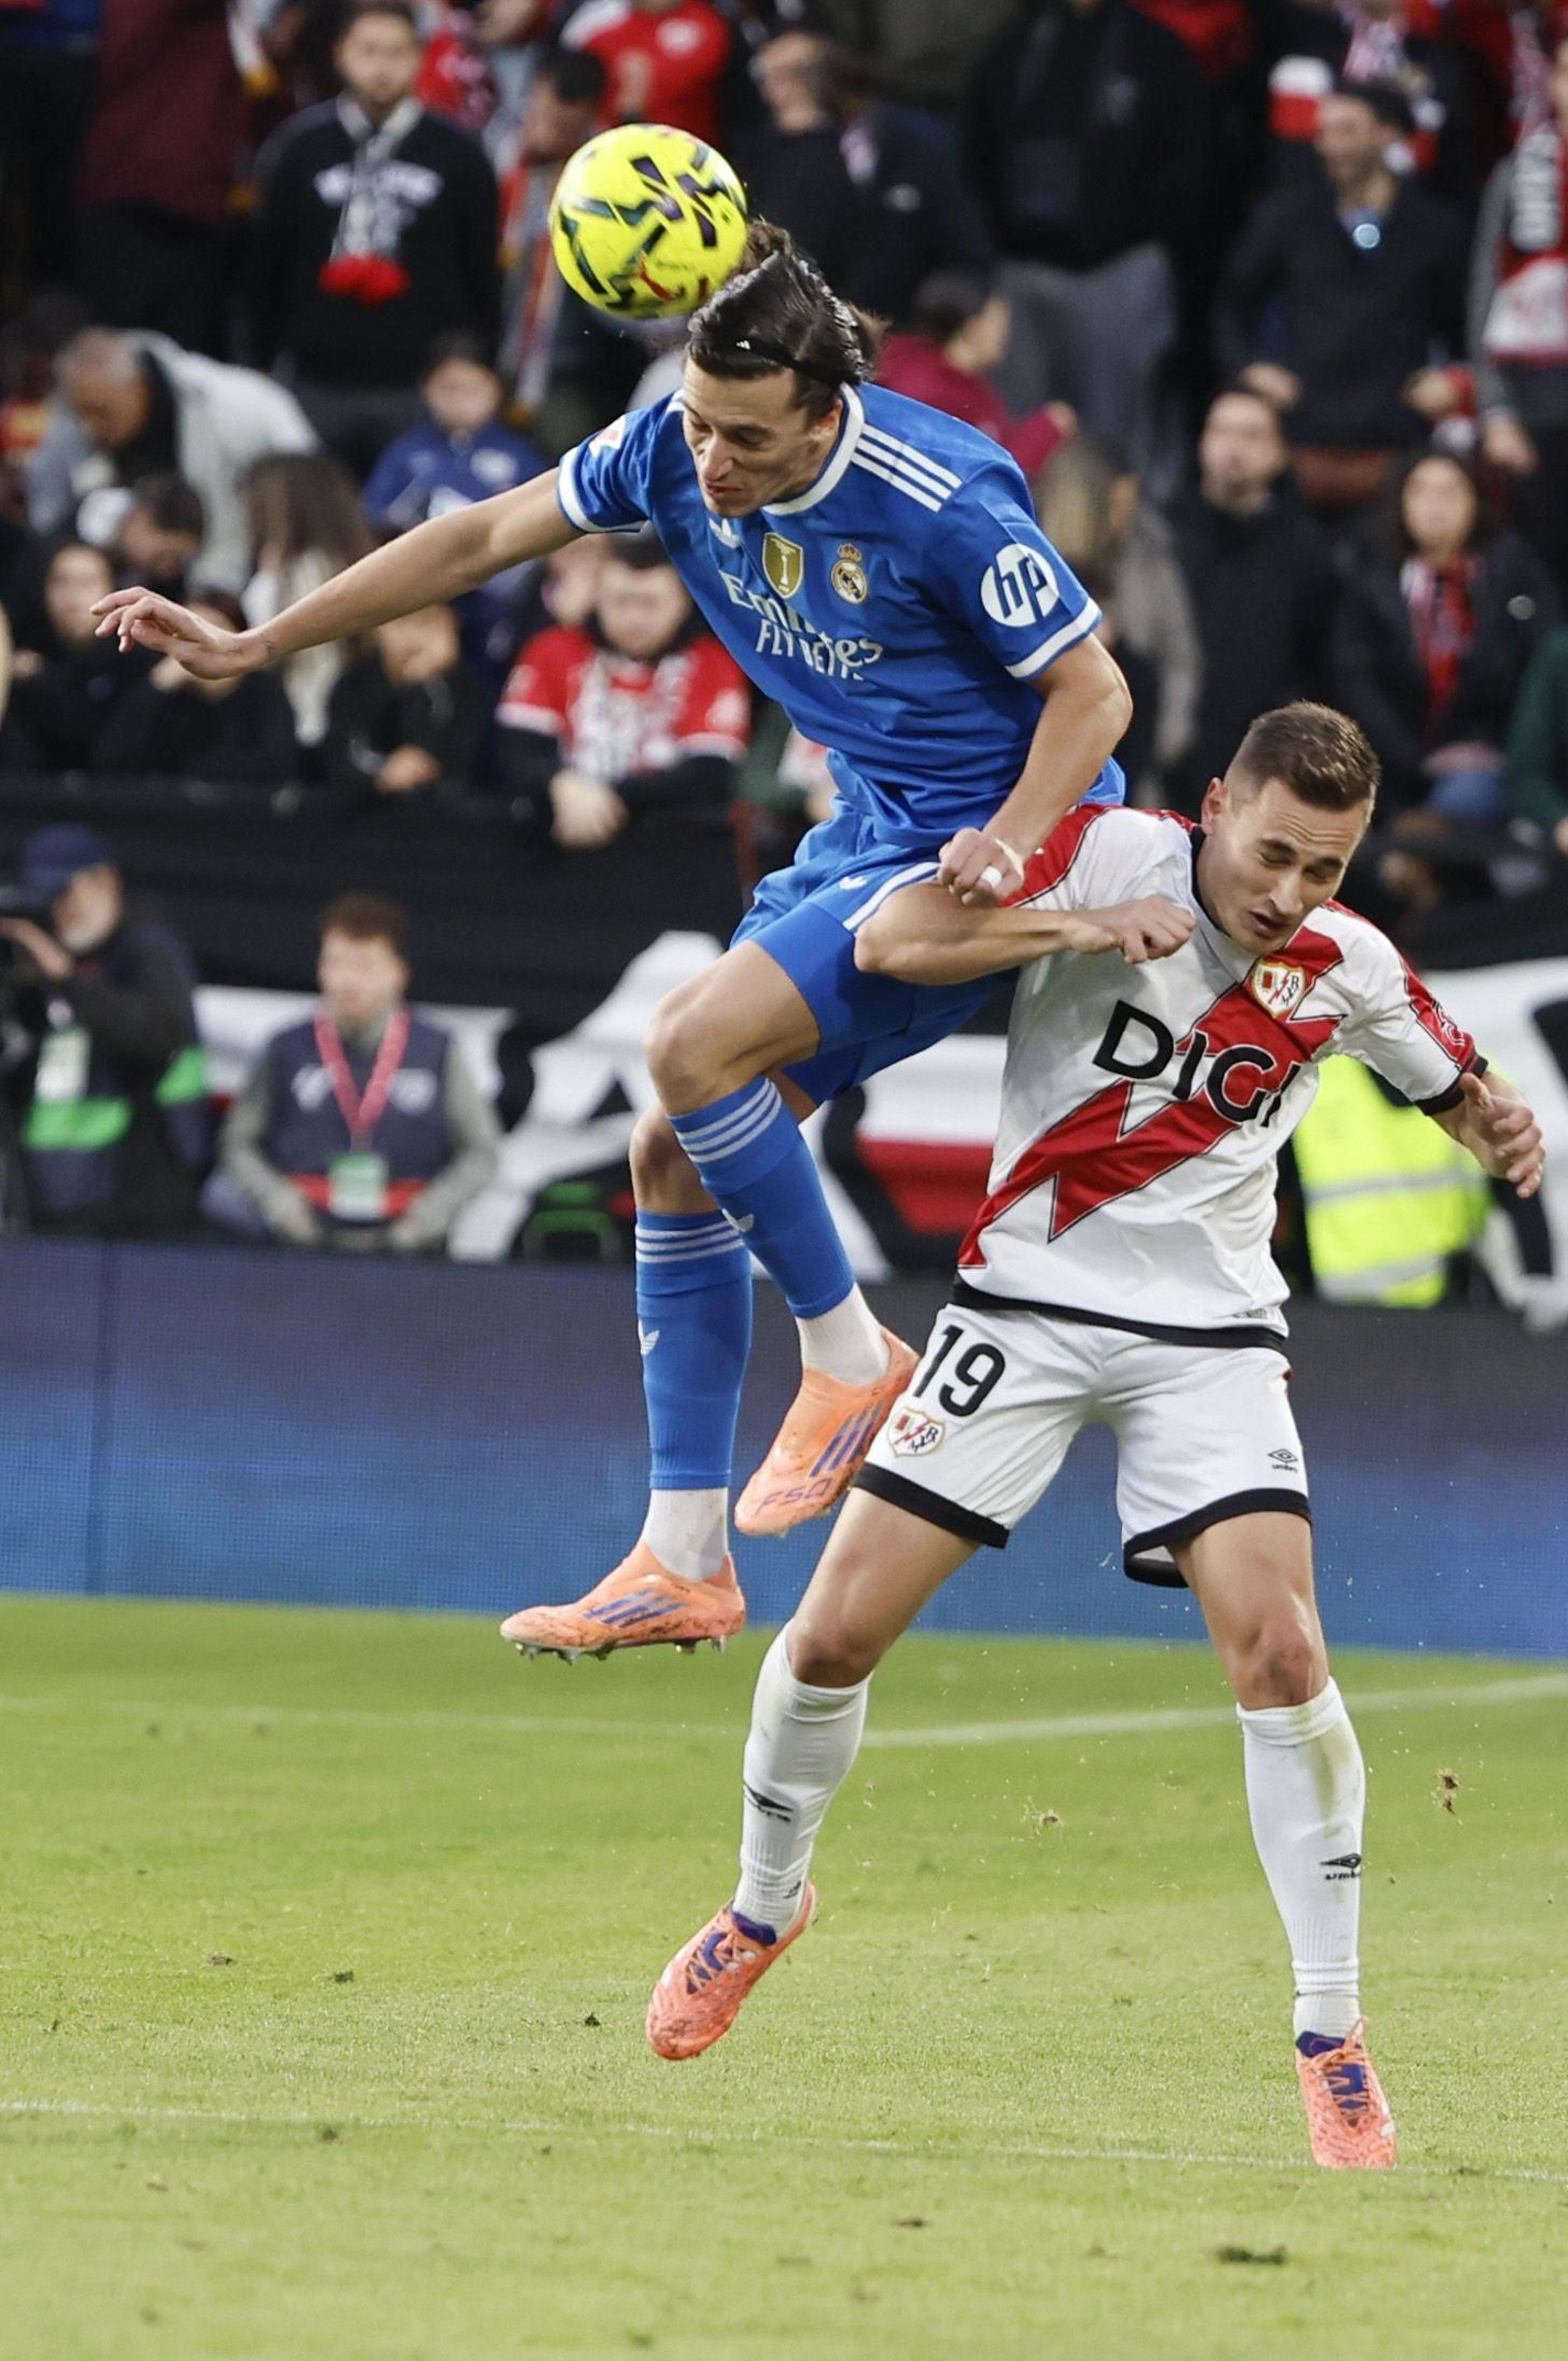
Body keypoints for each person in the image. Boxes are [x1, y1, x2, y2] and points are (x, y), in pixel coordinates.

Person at [92, 220, 1134, 1661]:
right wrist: (263, 642)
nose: (711, 465)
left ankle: (850, 1357)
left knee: (688, 1045)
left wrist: (1010, 838)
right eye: (700, 425)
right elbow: (474, 537)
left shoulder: (936, 488)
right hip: (871, 827)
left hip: (1008, 833)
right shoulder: (668, 445)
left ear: (828, 411)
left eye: (749, 440)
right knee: (668, 1145)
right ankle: (684, 1560)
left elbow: (1093, 695)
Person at [640, 703, 1545, 2174]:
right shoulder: (1100, 850)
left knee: (1283, 1651)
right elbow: (889, 946)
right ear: (1213, 809)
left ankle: (1333, 2035)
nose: (1291, 896)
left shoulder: (1348, 963)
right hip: (1024, 1308)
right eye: (1272, 856)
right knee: (827, 1642)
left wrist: (1502, 1130)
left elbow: (1454, 1081)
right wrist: (1072, 926)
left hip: (1212, 1342)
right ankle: (764, 1902)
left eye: (1325, 869)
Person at [249, 0, 502, 476]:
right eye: (368, 50)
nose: (382, 66)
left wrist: (478, 362)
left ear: (420, 56)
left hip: (420, 384)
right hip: (313, 378)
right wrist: (261, 360)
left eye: (397, 51)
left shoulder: (460, 154)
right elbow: (264, 263)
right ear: (341, 54)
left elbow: (482, 272)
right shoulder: (297, 148)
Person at [1216, 80, 1469, 518]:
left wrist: (1451, 379)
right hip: (1304, 435)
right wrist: (1249, 367)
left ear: (1389, 134)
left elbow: (1464, 322)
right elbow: (1231, 304)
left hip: (1394, 439)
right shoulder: (1289, 216)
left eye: (1347, 130)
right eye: (1324, 131)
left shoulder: (1436, 227)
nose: (1330, 145)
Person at [217, 892, 500, 1252]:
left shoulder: (437, 1050)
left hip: (409, 1239)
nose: (348, 982)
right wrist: (281, 1207)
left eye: (364, 965)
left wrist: (423, 1220)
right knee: (219, 1200)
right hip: (299, 1235)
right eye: (337, 963)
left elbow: (481, 1151)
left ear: (399, 973)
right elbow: (238, 1141)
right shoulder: (287, 1047)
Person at [0, 823, 213, 1237]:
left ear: (107, 881)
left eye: (66, 892)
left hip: (138, 1199)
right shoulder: (36, 959)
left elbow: (156, 1035)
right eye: (45, 897)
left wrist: (65, 977)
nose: (57, 908)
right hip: (53, 1194)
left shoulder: (148, 948)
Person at [1331, 447, 1558, 821]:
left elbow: (1537, 677)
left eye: (1450, 491)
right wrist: (1418, 760)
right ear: (1400, 501)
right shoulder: (1368, 576)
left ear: (1476, 501)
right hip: (1386, 763)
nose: (1435, 504)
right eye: (1420, 490)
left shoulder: (1514, 577)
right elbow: (1354, 680)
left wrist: (1493, 749)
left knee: (1464, 799)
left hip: (1489, 762)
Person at [497, 527, 751, 843]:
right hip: (554, 841)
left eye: (650, 603)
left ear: (684, 601)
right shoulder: (553, 649)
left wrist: (601, 798)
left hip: (669, 846)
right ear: (598, 596)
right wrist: (561, 784)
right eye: (620, 601)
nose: (633, 619)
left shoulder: (713, 662)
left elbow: (708, 772)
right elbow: (517, 749)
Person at [25, 327, 317, 594]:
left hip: (263, 573)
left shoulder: (231, 408)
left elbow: (306, 501)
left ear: (139, 387)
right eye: (81, 416)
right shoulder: (88, 419)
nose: (89, 428)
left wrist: (213, 597)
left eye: (100, 412)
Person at [1171, 386, 1341, 805]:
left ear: (1281, 451)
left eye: (1251, 435)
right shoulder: (1162, 541)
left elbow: (1323, 663)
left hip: (1266, 767)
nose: (1233, 448)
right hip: (1170, 761)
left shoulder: (1310, 554)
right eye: (1222, 431)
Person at [1469, 32, 1568, 596]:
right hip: (1535, 412)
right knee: (1542, 581)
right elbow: (1486, 291)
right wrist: (1495, 407)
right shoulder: (1518, 174)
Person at [492, 47, 609, 427]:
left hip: (568, 366)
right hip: (489, 349)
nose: (540, 128)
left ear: (587, 114)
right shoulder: (498, 147)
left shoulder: (605, 175)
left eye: (558, 123)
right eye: (536, 111)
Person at [241, 453, 379, 755]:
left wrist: (268, 577)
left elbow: (267, 647)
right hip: (328, 721)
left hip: (311, 724)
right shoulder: (346, 565)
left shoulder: (303, 573)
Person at [877, 273, 1074, 482]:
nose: (1005, 334)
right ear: (974, 326)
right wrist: (1046, 430)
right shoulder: (930, 394)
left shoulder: (972, 389)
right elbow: (981, 480)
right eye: (998, 322)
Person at [93, 590, 299, 789]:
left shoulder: (265, 692)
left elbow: (277, 764)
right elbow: (112, 760)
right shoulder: (167, 691)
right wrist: (156, 686)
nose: (201, 643)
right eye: (186, 633)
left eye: (213, 630)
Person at [0, 540, 148, 772]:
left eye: (86, 582)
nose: (72, 594)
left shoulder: (134, 657)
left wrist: (42, 680)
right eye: (60, 581)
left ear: (112, 591)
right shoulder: (24, 651)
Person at [321, 602, 486, 798]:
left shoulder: (462, 687)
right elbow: (341, 760)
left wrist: (423, 683)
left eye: (425, 622)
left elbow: (460, 760)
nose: (412, 637)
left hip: (440, 813)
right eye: (400, 622)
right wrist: (386, 772)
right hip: (364, 812)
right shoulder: (353, 684)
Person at [561, 0, 733, 148]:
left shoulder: (705, 21)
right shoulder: (595, 25)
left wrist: (643, 88)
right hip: (607, 153)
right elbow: (565, 88)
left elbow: (696, 76)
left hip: (690, 158)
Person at [1505, 622, 1568, 853]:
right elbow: (1524, 772)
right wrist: (1558, 819)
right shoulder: (1560, 654)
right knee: (1516, 868)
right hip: (1558, 822)